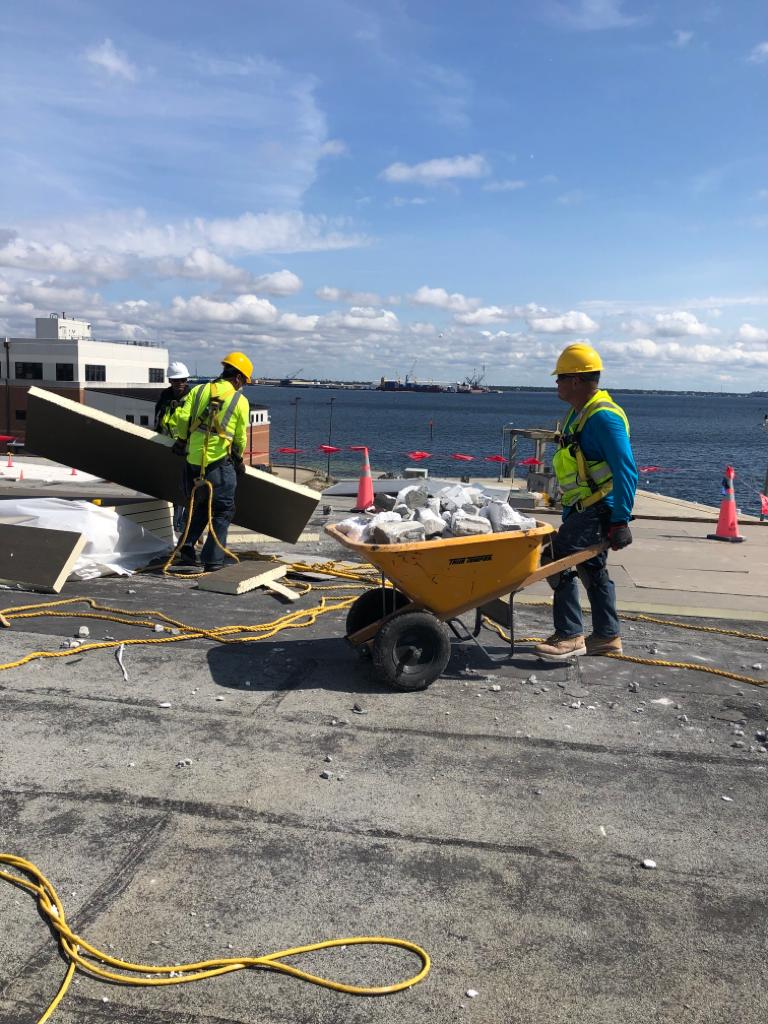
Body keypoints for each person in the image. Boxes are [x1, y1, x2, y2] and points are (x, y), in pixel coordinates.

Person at [534, 343, 637, 661]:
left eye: (561, 377)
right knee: (592, 568)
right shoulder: (580, 413)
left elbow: (626, 470)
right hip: (585, 507)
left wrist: (620, 520)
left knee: (556, 558)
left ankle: (570, 635)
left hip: (598, 508)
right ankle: (607, 636)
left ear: (577, 380)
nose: (557, 383)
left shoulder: (603, 418)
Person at [171, 352, 252, 572]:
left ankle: (185, 551)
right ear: (237, 378)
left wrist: (182, 439)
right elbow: (240, 437)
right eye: (243, 381)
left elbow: (182, 418)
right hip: (218, 465)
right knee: (222, 510)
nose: (242, 386)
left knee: (198, 508)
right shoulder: (239, 401)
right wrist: (239, 459)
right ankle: (213, 559)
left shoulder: (198, 391)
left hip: (192, 464)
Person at [154, 362, 191, 434]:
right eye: (176, 380)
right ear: (169, 380)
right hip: (165, 440)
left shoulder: (192, 396)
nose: (180, 383)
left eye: (183, 380)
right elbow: (158, 416)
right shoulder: (164, 395)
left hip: (184, 442)